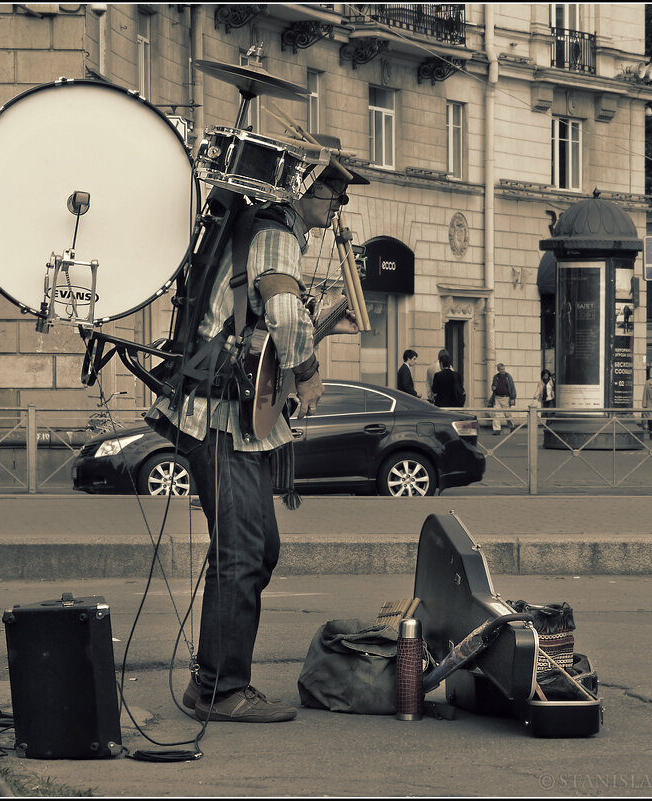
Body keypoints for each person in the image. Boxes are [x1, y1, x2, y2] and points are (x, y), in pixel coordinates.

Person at [145, 145, 365, 723]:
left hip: (232, 414)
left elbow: (262, 333)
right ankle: (218, 689)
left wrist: (319, 332)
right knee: (241, 553)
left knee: (257, 549)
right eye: (334, 192)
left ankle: (216, 680)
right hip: (220, 417)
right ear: (304, 190)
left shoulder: (267, 229)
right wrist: (309, 371)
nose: (339, 205)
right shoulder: (275, 230)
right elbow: (284, 315)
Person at [489, 363, 516, 434]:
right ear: (498, 370)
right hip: (497, 397)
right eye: (501, 369)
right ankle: (496, 429)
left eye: (503, 369)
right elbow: (493, 386)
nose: (503, 370)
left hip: (506, 397)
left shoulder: (508, 376)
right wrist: (493, 387)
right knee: (496, 414)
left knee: (507, 414)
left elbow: (512, 387)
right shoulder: (496, 377)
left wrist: (512, 398)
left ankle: (512, 426)